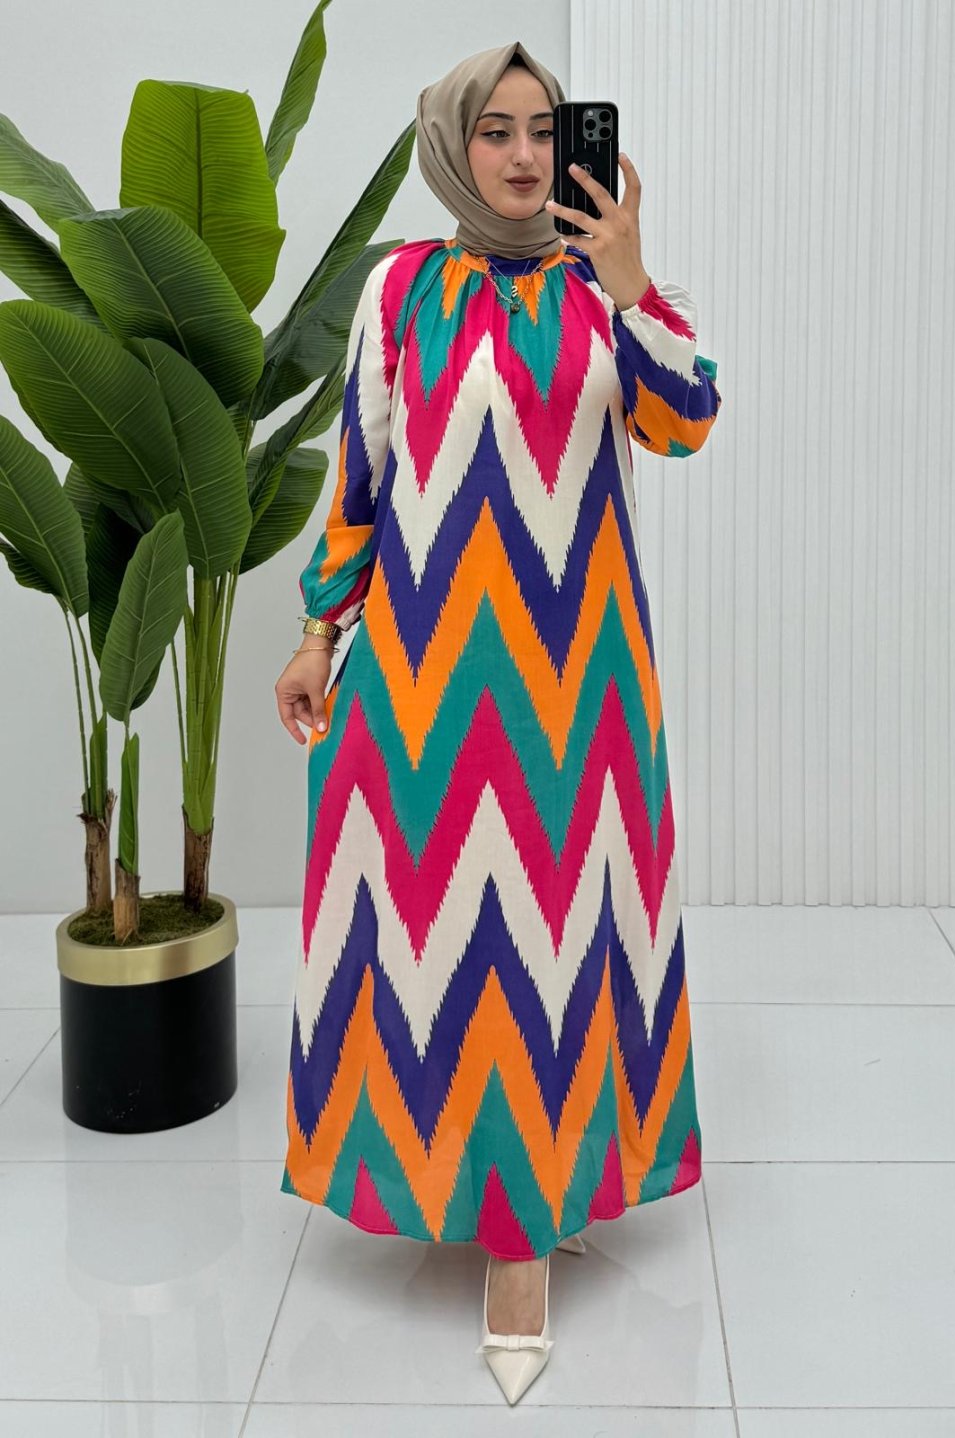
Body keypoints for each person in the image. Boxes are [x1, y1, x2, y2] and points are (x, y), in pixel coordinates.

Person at [274, 39, 722, 1406]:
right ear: (455, 145)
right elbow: (361, 474)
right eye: (498, 131)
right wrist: (318, 629)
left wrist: (634, 283)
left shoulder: (602, 294)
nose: (526, 156)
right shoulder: (399, 290)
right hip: (423, 685)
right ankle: (449, 1176)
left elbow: (687, 422)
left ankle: (527, 1230)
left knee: (569, 939)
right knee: (421, 942)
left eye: (545, 130)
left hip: (576, 686)